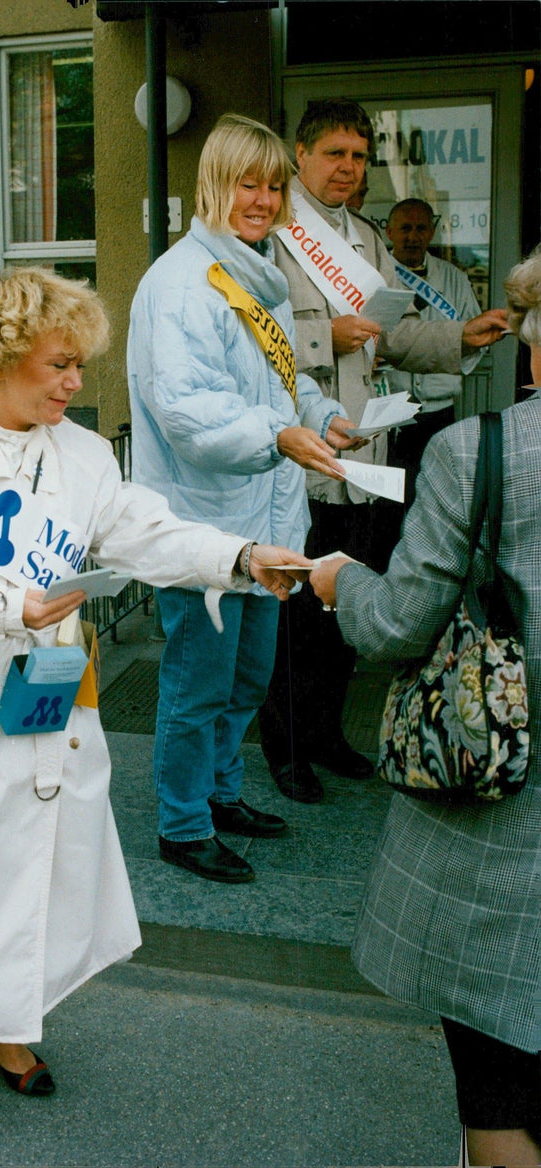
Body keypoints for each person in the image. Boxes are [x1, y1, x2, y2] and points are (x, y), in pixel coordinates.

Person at [0, 266, 313, 1155]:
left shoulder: (84, 456)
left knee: (25, 879)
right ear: (4, 355)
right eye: (60, 364)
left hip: (46, 708)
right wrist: (2, 610)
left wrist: (243, 556)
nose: (73, 384)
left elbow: (148, 529)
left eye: (80, 367)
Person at [309, 248, 541, 1168]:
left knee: (500, 1099)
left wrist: (339, 581)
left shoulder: (478, 452)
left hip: (501, 841)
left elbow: (401, 626)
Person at [127, 113, 364, 883]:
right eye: (247, 184)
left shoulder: (248, 271)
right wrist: (280, 437)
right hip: (208, 528)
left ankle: (221, 795)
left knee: (245, 679)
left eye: (272, 185)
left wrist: (323, 417)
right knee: (197, 687)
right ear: (213, 186)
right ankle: (182, 823)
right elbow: (189, 414)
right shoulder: (179, 284)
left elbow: (283, 379)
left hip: (267, 522)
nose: (262, 199)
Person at [257, 97, 509, 804]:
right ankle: (286, 747)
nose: (347, 168)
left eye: (359, 157)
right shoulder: (272, 235)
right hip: (300, 455)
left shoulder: (366, 239)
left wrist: (461, 337)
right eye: (334, 154)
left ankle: (329, 733)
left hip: (362, 453)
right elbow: (247, 335)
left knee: (346, 602)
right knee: (296, 611)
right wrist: (318, 340)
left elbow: (394, 333)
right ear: (300, 155)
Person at [385, 198, 487, 506]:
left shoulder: (454, 278)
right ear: (389, 231)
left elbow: (475, 336)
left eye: (420, 228)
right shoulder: (376, 274)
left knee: (438, 499)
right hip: (389, 414)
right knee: (390, 502)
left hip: (439, 413)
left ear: (432, 232)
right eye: (405, 228)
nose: (412, 236)